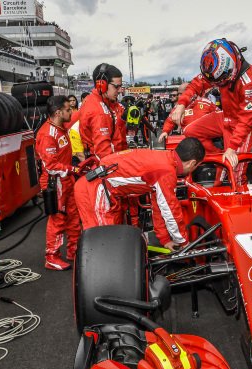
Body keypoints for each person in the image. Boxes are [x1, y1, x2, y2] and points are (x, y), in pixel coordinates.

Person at [74, 138, 205, 251]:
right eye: (196, 167)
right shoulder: (166, 171)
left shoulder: (165, 158)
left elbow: (159, 206)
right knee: (104, 245)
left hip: (101, 189)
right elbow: (171, 210)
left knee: (112, 243)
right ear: (192, 163)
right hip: (94, 190)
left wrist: (165, 239)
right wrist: (183, 242)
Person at [171, 38, 252, 179]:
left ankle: (237, 186)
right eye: (214, 80)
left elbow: (247, 119)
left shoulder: (250, 81)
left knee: (236, 172)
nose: (217, 83)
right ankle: (220, 158)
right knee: (190, 130)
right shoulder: (213, 68)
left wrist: (232, 148)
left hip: (243, 125)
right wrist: (181, 104)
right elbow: (196, 85)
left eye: (221, 78)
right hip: (225, 116)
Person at [35, 96, 84, 270]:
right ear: (58, 112)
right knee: (58, 220)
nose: (71, 111)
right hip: (54, 182)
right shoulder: (47, 134)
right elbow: (51, 165)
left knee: (73, 217)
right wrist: (75, 170)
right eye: (68, 109)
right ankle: (51, 256)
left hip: (66, 180)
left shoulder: (61, 128)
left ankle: (74, 249)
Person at [79, 63, 127, 160]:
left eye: (121, 86)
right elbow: (103, 152)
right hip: (108, 165)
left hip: (117, 158)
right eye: (116, 87)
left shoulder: (108, 102)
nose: (120, 90)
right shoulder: (97, 110)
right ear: (102, 85)